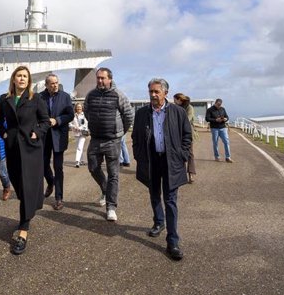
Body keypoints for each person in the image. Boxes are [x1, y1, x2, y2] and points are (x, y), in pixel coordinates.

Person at [132, 78, 192, 261]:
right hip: (151, 160)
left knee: (170, 200)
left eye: (157, 92)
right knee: (153, 193)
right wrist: (138, 155)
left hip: (171, 161)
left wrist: (182, 155)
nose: (153, 95)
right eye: (151, 91)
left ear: (165, 92)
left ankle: (172, 241)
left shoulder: (178, 112)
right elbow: (135, 137)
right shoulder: (142, 113)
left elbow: (187, 136)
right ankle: (159, 222)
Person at [0, 66, 50, 255]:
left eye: (25, 76)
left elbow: (45, 121)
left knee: (27, 186)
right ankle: (30, 206)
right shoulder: (4, 99)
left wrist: (37, 133)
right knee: (19, 184)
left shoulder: (36, 99)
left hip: (31, 148)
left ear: (29, 80)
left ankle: (23, 229)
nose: (22, 79)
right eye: (19, 76)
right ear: (13, 79)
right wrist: (3, 133)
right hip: (12, 149)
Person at [83, 67, 134, 222]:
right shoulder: (91, 95)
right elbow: (86, 111)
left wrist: (120, 133)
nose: (100, 81)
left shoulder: (118, 95)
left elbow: (129, 116)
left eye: (103, 78)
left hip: (113, 140)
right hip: (96, 139)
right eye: (98, 78)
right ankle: (105, 190)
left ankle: (111, 207)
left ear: (110, 79)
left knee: (113, 174)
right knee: (93, 167)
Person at [40, 74, 75, 210]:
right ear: (46, 85)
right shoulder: (40, 97)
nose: (55, 85)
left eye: (56, 83)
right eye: (52, 83)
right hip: (44, 136)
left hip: (58, 136)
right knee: (43, 165)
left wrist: (58, 120)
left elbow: (70, 115)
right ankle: (51, 182)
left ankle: (59, 198)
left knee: (58, 167)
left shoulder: (65, 96)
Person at [173, 93, 198, 183]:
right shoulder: (175, 107)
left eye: (175, 100)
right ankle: (179, 174)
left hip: (187, 133)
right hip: (176, 132)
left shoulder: (189, 107)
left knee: (190, 153)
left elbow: (188, 119)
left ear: (179, 99)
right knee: (178, 153)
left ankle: (191, 174)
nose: (174, 102)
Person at [205, 98, 232, 162]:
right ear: (215, 103)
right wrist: (215, 120)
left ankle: (228, 157)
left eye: (220, 105)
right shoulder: (209, 110)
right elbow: (207, 119)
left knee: (226, 142)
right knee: (215, 143)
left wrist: (226, 119)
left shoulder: (223, 109)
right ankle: (217, 156)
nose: (219, 106)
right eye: (218, 104)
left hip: (223, 128)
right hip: (214, 128)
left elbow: (227, 117)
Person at [69, 103, 89, 167]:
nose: (79, 108)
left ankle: (77, 161)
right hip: (76, 133)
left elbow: (86, 124)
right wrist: (74, 127)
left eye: (80, 107)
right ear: (76, 108)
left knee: (79, 147)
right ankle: (82, 160)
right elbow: (69, 124)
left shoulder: (84, 115)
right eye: (77, 107)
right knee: (79, 147)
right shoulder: (73, 116)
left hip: (83, 133)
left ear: (82, 108)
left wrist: (80, 128)